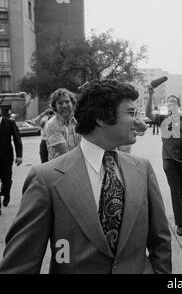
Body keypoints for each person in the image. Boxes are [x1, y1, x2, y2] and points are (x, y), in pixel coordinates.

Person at [0, 80, 171, 274]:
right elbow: (20, 264)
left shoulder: (142, 169)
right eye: (131, 113)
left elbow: (160, 241)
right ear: (101, 117)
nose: (139, 122)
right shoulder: (46, 179)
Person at [146, 91, 182, 237]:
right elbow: (148, 113)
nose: (171, 104)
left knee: (181, 190)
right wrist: (151, 95)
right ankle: (180, 223)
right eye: (169, 103)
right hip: (169, 160)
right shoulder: (162, 119)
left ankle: (179, 215)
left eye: (173, 102)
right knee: (176, 191)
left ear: (178, 105)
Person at [45, 88, 81, 161]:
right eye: (60, 103)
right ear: (55, 106)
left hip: (77, 164)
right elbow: (66, 153)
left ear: (73, 103)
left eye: (67, 102)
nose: (64, 105)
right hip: (59, 169)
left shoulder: (79, 121)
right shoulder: (52, 125)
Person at [0, 111, 22, 214]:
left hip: (6, 157)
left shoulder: (10, 123)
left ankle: (6, 193)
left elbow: (17, 139)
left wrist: (19, 155)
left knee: (7, 180)